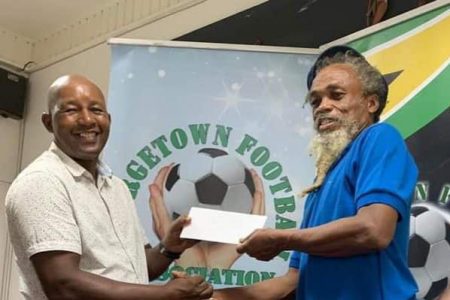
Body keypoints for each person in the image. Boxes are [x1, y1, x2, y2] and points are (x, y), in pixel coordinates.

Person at [215, 45, 419, 300]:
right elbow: (291, 281)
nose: (323, 106)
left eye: (336, 95)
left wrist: (282, 239)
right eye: (315, 101)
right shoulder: (321, 181)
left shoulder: (379, 137)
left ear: (371, 102)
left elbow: (373, 229)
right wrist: (212, 296)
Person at [5, 74, 213, 300]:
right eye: (71, 110)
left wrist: (169, 248)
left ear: (108, 119)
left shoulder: (116, 186)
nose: (87, 120)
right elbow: (63, 285)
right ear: (48, 122)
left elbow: (136, 270)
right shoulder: (42, 181)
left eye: (96, 110)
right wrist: (164, 295)